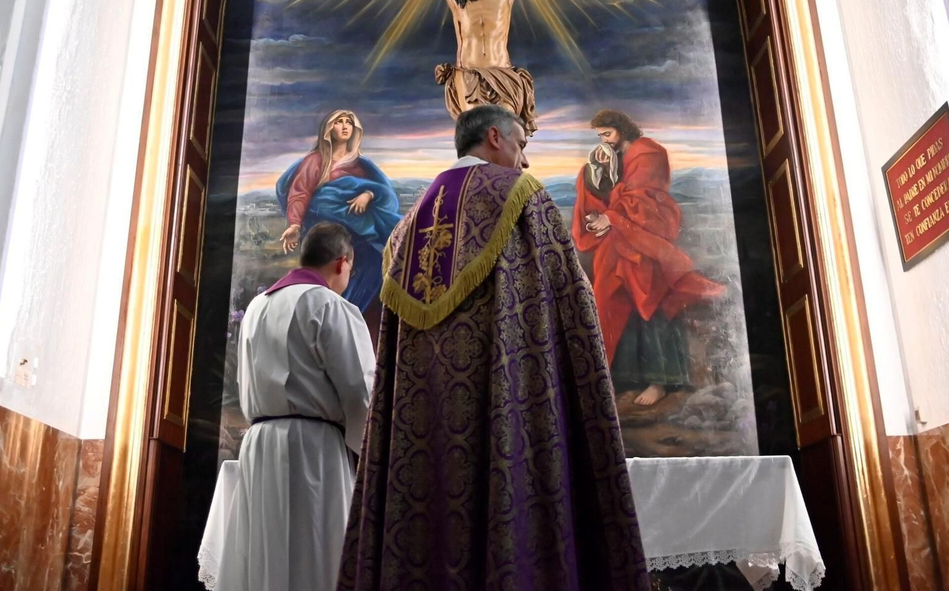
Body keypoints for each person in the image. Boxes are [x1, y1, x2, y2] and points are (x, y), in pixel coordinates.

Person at [339, 105, 649, 591]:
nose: (524, 161)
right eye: (521, 145)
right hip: (513, 413)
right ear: (494, 138)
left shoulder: (406, 226)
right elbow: (572, 305)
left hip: (422, 432)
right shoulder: (525, 198)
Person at [216, 222, 375, 591]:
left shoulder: (257, 307)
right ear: (341, 262)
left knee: (264, 557)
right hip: (313, 450)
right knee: (316, 556)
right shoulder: (330, 305)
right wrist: (370, 455)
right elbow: (361, 392)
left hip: (261, 445)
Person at [356, 0, 598, 135]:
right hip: (468, 74)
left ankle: (506, 186)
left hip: (502, 72)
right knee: (475, 135)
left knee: (506, 132)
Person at [572, 110, 725, 407]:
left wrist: (612, 217)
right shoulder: (611, 157)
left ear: (622, 129)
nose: (604, 141)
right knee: (614, 306)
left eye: (607, 134)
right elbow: (608, 193)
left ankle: (661, 381)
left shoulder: (648, 153)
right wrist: (597, 178)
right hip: (617, 245)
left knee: (653, 304)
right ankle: (625, 379)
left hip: (646, 243)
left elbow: (645, 198)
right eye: (600, 136)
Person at [276, 110, 403, 314]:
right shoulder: (316, 161)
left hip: (360, 239)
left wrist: (368, 194)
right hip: (329, 241)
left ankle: (356, 323)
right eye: (339, 122)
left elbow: (386, 194)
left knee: (375, 271)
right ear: (328, 129)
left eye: (349, 122)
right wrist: (294, 224)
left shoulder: (362, 165)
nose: (345, 126)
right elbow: (300, 193)